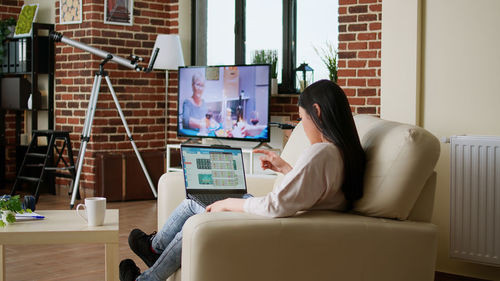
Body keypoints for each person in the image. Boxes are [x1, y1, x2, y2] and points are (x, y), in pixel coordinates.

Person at [119, 79, 366, 281]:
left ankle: (152, 260)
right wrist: (285, 168)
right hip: (288, 221)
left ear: (317, 112)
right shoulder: (345, 153)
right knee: (195, 202)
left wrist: (228, 203)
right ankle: (155, 251)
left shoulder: (320, 152)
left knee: (199, 207)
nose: (302, 125)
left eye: (302, 118)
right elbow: (317, 194)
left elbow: (275, 206)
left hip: (273, 221)